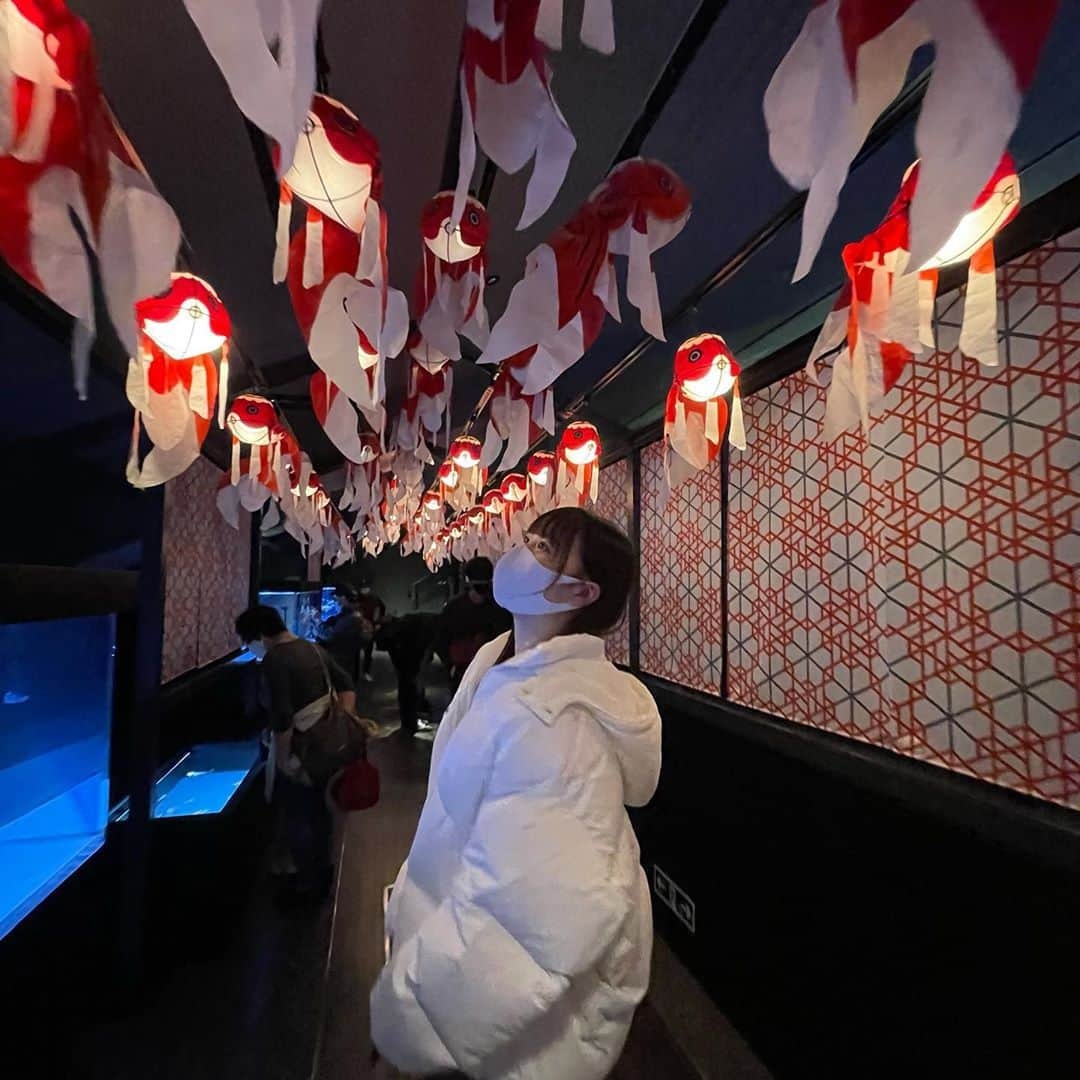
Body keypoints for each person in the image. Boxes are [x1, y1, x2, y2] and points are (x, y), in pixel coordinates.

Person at [370, 508, 662, 1079]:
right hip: (456, 971)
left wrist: (413, 1025)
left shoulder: (557, 723)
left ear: (579, 590)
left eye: (545, 550)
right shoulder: (497, 658)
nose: (520, 550)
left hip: (507, 1039)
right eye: (529, 538)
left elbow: (527, 918)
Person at [236, 604, 357, 904]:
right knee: (320, 811)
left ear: (260, 635)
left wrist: (284, 759)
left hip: (301, 750)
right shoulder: (312, 648)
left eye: (248, 641)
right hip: (326, 749)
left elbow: (282, 717)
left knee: (298, 813)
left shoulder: (275, 660)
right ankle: (323, 874)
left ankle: (306, 884)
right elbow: (347, 686)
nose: (250, 648)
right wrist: (337, 720)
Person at [436, 556, 512, 691]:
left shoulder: (454, 607)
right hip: (485, 670)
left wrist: (450, 665)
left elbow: (441, 640)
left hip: (477, 670)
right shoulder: (500, 608)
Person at [318, 585, 368, 682]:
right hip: (347, 662)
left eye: (336, 600)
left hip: (341, 663)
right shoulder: (351, 615)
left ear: (343, 598)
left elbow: (331, 636)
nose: (335, 602)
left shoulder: (351, 619)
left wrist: (317, 625)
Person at [353, 580, 386, 682]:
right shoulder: (356, 599)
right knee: (355, 653)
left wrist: (377, 623)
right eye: (363, 588)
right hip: (358, 628)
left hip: (370, 628)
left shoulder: (375, 600)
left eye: (366, 588)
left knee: (368, 652)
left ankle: (366, 672)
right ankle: (355, 675)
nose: (365, 590)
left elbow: (381, 609)